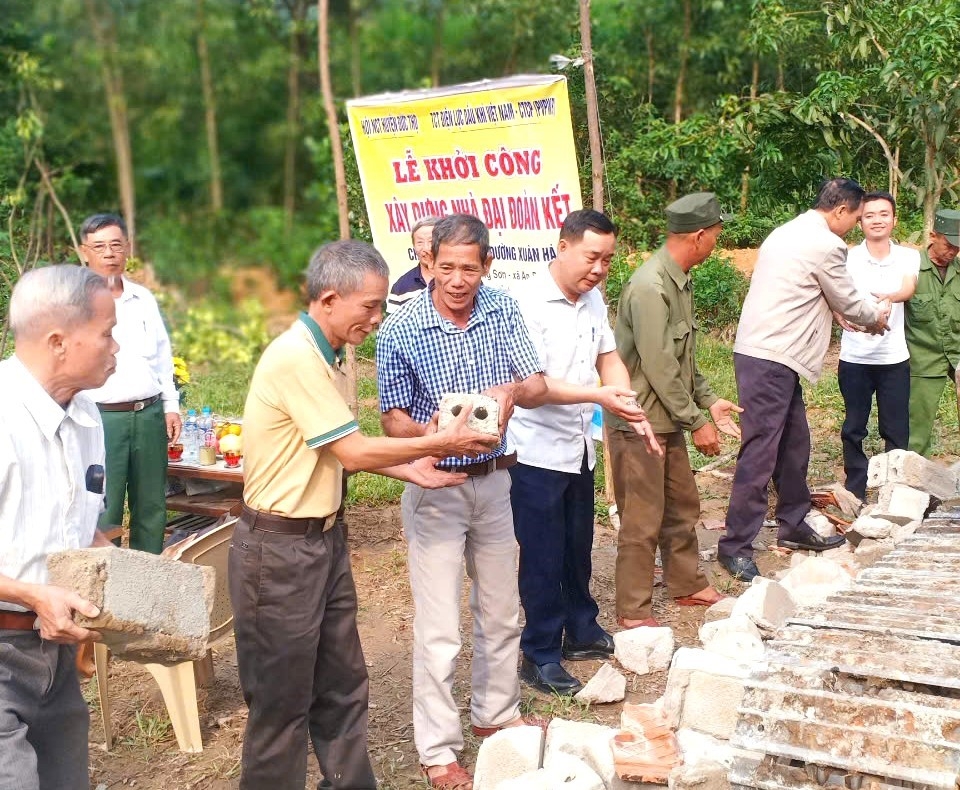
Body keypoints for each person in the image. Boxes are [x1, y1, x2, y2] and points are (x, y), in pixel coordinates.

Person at [229, 239, 498, 790]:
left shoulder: (324, 356)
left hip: (321, 541)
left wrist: (411, 470)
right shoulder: (295, 358)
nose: (376, 319)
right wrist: (439, 443)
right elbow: (352, 451)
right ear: (329, 299)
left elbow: (330, 452)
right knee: (282, 704)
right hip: (278, 553)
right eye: (369, 306)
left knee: (343, 684)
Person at [376, 213, 547, 790]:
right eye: (444, 267)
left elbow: (536, 384)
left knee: (501, 609)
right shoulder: (401, 329)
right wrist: (433, 433)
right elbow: (392, 420)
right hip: (436, 488)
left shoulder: (501, 308)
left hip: (495, 481)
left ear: (486, 265)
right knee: (440, 626)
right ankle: (438, 750)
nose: (456, 280)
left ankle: (496, 714)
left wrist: (510, 391)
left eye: (468, 269)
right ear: (427, 263)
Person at [507, 209, 661, 696]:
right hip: (534, 452)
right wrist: (598, 396)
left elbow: (608, 358)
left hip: (577, 448)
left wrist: (627, 403)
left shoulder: (592, 299)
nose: (599, 269)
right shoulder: (525, 303)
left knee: (577, 545)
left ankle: (581, 629)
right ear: (563, 246)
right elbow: (530, 388)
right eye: (592, 257)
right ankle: (539, 653)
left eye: (607, 260)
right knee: (542, 556)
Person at [722, 178, 892, 582]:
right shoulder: (825, 244)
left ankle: (793, 523)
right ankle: (735, 546)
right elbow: (847, 298)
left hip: (771, 354)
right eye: (855, 217)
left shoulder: (788, 231)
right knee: (760, 452)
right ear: (841, 211)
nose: (855, 226)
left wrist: (839, 310)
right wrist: (876, 315)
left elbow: (807, 290)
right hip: (771, 356)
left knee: (794, 443)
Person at [0, 264, 119, 790]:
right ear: (58, 342)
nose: (116, 347)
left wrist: (131, 577)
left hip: (56, 659)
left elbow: (81, 530)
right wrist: (32, 595)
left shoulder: (86, 417)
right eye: (107, 333)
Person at [609, 192, 739, 630]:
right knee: (642, 517)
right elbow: (659, 366)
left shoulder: (679, 280)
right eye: (716, 234)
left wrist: (708, 399)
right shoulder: (650, 287)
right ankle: (633, 609)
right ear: (699, 236)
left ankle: (685, 583)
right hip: (640, 422)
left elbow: (683, 360)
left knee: (683, 505)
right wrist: (697, 422)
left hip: (667, 417)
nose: (717, 242)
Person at [80, 213, 181, 554]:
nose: (109, 253)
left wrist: (170, 405)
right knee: (103, 507)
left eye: (116, 245)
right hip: (99, 418)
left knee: (151, 505)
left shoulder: (143, 299)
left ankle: (148, 575)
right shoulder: (75, 302)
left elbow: (162, 356)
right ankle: (104, 579)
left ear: (127, 248)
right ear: (84, 252)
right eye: (99, 247)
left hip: (148, 414)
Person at [836, 191, 919, 499]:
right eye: (869, 215)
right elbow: (835, 292)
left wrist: (890, 298)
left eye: (884, 214)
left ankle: (894, 489)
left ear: (894, 220)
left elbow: (909, 287)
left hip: (894, 359)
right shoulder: (847, 257)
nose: (877, 220)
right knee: (854, 426)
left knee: (895, 428)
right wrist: (837, 312)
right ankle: (855, 486)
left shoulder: (909, 256)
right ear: (860, 222)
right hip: (854, 357)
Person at [905, 208, 960, 456]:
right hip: (923, 358)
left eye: (958, 247)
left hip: (958, 353)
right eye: (949, 245)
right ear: (933, 236)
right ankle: (916, 475)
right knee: (917, 429)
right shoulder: (910, 268)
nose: (953, 252)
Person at [386, 216, 438, 314]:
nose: (426, 248)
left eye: (431, 241)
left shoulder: (454, 279)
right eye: (420, 243)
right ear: (413, 247)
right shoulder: (401, 287)